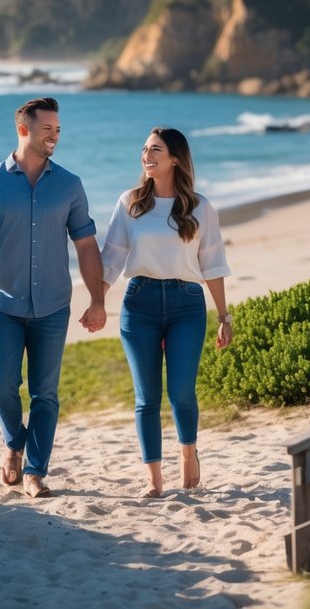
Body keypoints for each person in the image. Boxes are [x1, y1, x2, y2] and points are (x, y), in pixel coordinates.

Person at [0, 97, 106, 499]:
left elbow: (87, 244)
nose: (55, 136)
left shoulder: (70, 184)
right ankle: (13, 445)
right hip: (1, 303)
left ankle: (36, 471)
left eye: (58, 129)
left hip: (53, 305)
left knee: (45, 393)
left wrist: (97, 298)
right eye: (47, 130)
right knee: (2, 385)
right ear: (24, 130)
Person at [100, 126, 232, 497]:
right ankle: (153, 478)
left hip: (187, 304)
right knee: (146, 396)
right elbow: (111, 257)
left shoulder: (199, 207)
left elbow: (214, 264)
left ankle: (188, 453)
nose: (146, 155)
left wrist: (224, 317)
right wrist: (98, 300)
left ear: (175, 158)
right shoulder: (130, 202)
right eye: (144, 148)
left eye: (155, 149)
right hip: (139, 302)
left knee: (181, 393)